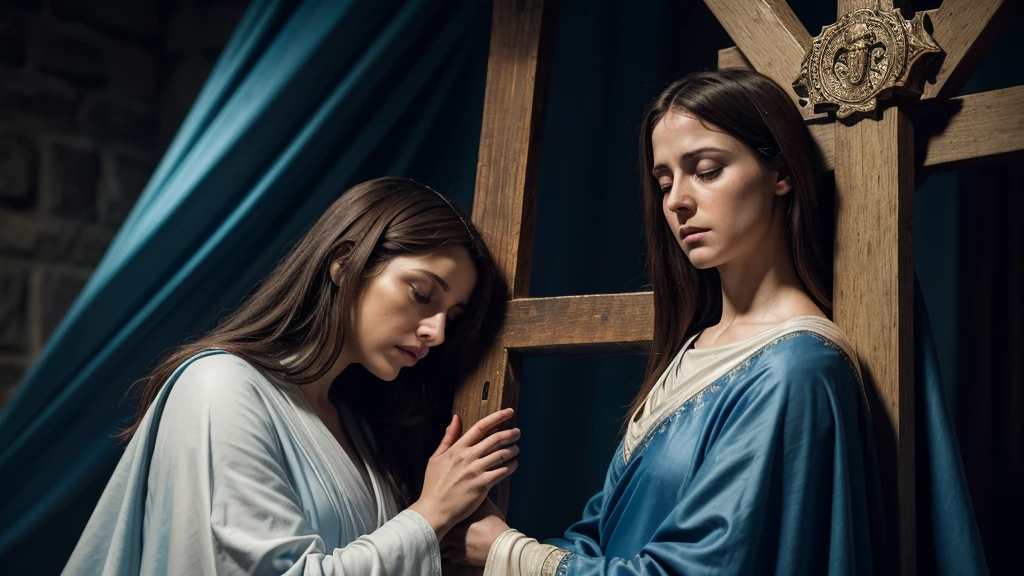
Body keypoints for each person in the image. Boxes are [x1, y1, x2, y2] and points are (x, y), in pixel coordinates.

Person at [445, 69, 886, 574]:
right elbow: (605, 536)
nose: (676, 199)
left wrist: (507, 552)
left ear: (781, 174)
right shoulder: (694, 349)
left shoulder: (798, 369)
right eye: (664, 180)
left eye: (706, 169)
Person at [63, 177, 520, 575]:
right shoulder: (220, 387)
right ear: (345, 262)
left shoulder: (358, 430)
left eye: (452, 316)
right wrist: (431, 513)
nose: (437, 332)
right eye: (422, 294)